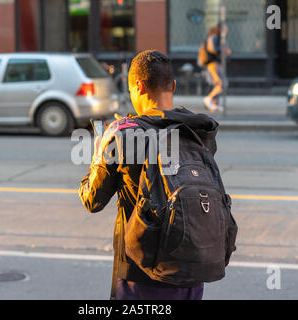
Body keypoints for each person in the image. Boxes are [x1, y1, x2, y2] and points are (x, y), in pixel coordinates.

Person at [79, 50, 230, 300]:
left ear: (137, 86)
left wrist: (99, 149)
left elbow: (92, 200)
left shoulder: (124, 134)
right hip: (192, 271)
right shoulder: (196, 130)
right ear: (173, 85)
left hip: (141, 277)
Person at [202, 23, 232, 113]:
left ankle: (215, 104)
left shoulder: (221, 39)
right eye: (225, 28)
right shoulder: (213, 37)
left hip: (219, 64)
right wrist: (222, 50)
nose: (226, 30)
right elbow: (212, 49)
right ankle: (209, 99)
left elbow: (227, 51)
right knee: (220, 83)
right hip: (213, 64)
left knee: (222, 83)